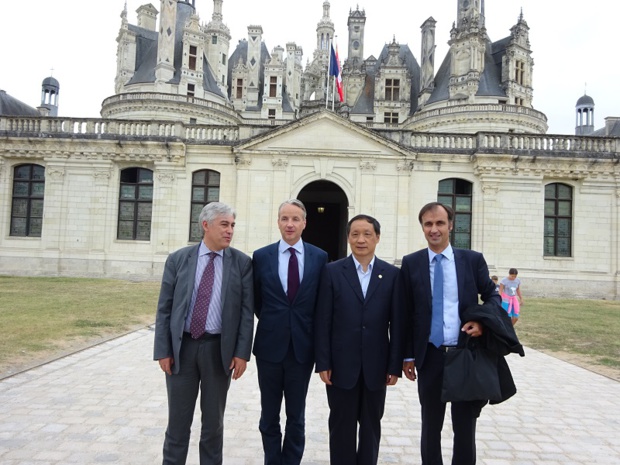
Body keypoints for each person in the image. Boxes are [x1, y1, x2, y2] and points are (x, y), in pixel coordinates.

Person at [400, 202, 501, 465]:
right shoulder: (411, 264)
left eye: (440, 223)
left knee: (465, 428)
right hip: (430, 356)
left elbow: (492, 296)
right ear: (422, 227)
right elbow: (406, 313)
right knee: (430, 427)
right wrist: (408, 355)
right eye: (428, 224)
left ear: (451, 225)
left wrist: (481, 323)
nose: (434, 229)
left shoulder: (472, 260)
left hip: (464, 355)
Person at [153, 202, 254, 465]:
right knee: (177, 423)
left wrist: (242, 353)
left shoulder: (242, 263)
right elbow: (164, 308)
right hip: (181, 350)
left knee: (213, 425)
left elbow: (246, 311)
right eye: (224, 224)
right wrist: (163, 350)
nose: (230, 230)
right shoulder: (178, 259)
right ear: (205, 225)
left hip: (218, 352)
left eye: (232, 225)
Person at [315, 214, 403, 465]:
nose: (361, 239)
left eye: (367, 234)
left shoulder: (392, 275)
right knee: (341, 425)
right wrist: (323, 362)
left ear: (377, 237)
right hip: (341, 366)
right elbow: (323, 320)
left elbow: (397, 324)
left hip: (377, 366)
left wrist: (394, 365)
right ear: (348, 238)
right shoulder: (332, 272)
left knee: (371, 425)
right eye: (355, 234)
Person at [252, 199, 328, 465]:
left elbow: (321, 305)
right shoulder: (261, 257)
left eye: (295, 219)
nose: (290, 224)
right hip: (269, 348)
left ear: (305, 223)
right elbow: (258, 301)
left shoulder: (320, 257)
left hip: (302, 349)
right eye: (284, 218)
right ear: (278, 222)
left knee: (297, 415)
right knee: (269, 414)